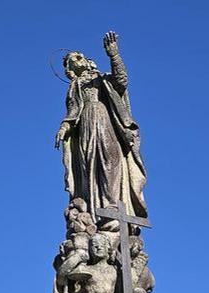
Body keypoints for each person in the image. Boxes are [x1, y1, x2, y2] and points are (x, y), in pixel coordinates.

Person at [55, 31, 147, 222]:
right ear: (70, 68)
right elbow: (72, 113)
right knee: (89, 167)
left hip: (105, 121)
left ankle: (113, 205)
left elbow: (121, 81)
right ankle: (94, 209)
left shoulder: (102, 78)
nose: (78, 60)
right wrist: (64, 128)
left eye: (79, 57)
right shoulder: (74, 87)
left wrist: (114, 55)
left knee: (109, 160)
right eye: (73, 60)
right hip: (85, 128)